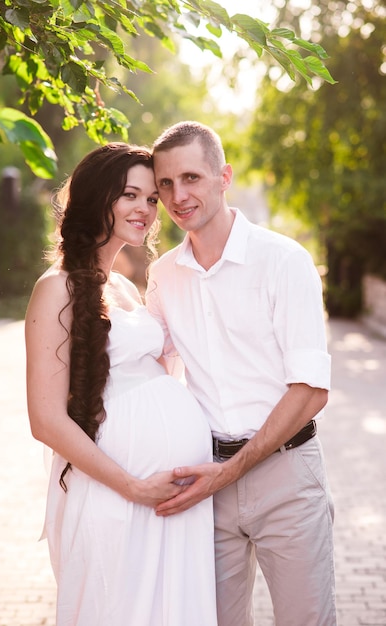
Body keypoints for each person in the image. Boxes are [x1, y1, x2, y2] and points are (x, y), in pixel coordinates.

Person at [146, 121, 337, 626]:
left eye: (191, 178)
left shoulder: (283, 260)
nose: (177, 195)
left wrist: (230, 472)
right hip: (204, 481)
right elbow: (147, 368)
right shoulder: (163, 275)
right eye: (165, 184)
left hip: (286, 475)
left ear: (223, 176)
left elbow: (311, 391)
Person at [25, 143, 218, 626]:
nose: (146, 210)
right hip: (119, 495)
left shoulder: (126, 288)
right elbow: (45, 419)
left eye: (152, 199)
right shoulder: (56, 287)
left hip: (169, 502)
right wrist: (134, 486)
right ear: (97, 199)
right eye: (130, 194)